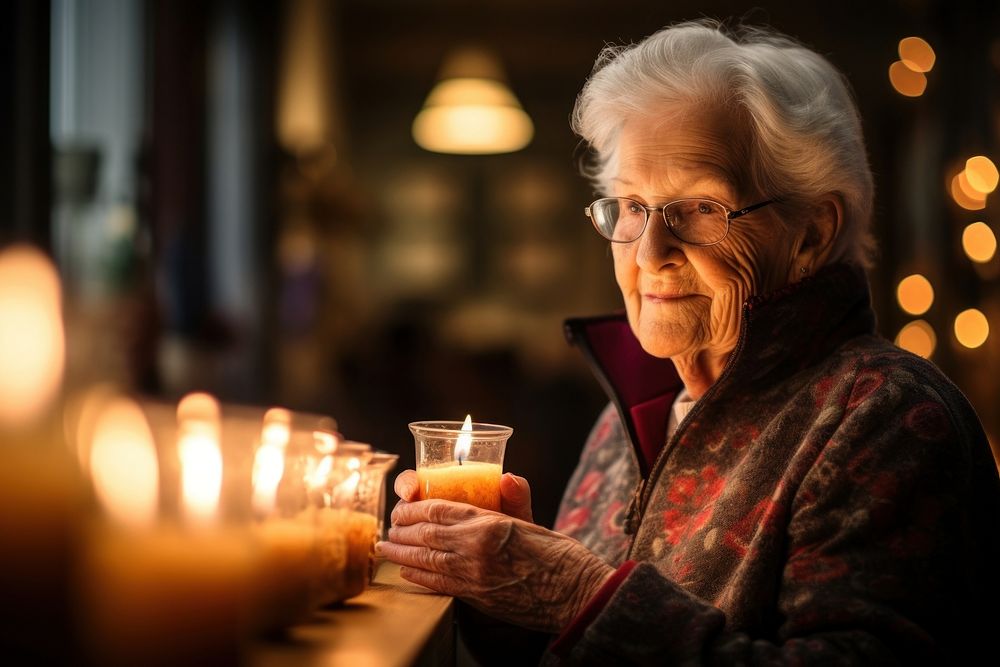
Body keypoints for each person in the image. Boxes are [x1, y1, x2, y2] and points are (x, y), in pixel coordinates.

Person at [377, 19, 1000, 664]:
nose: (650, 253)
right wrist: (507, 593)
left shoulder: (887, 418)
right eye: (632, 207)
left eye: (702, 208)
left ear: (812, 232)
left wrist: (575, 593)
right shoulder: (639, 405)